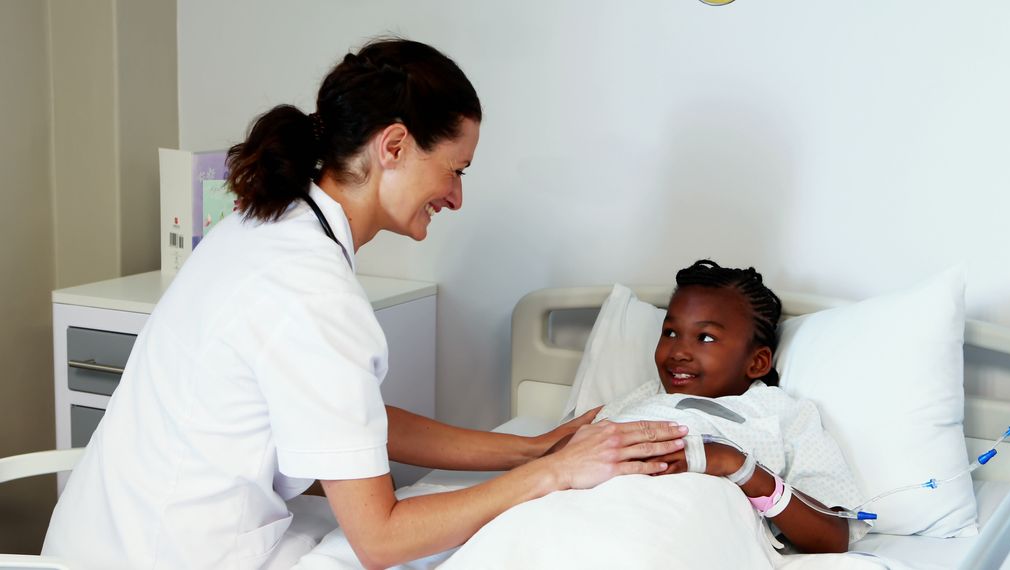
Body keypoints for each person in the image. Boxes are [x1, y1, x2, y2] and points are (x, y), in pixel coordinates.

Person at [42, 38, 687, 570]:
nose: (457, 198)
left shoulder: (269, 224)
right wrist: (555, 474)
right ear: (395, 146)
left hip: (106, 537)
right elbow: (381, 538)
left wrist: (530, 448)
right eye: (457, 169)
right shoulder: (311, 288)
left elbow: (352, 420)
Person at [596, 260, 864, 554]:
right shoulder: (641, 400)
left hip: (680, 535)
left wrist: (735, 464)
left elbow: (831, 536)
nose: (679, 352)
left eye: (705, 338)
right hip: (589, 513)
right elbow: (565, 459)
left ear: (757, 362)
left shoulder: (782, 414)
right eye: (670, 332)